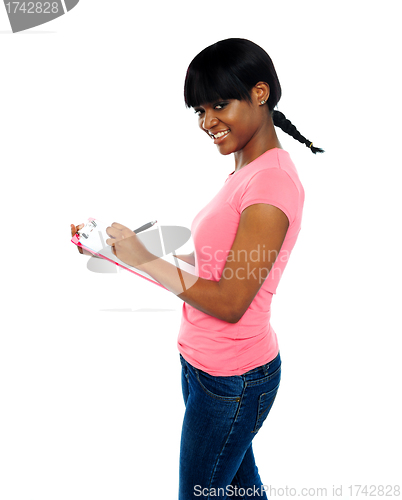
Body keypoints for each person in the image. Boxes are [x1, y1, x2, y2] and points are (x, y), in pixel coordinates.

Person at [71, 38, 323, 499]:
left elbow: (229, 301)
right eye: (200, 111)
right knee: (241, 492)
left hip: (233, 381)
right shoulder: (247, 171)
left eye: (219, 105)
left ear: (261, 93)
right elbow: (213, 267)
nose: (208, 122)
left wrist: (143, 257)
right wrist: (119, 250)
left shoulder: (271, 184)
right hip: (205, 369)